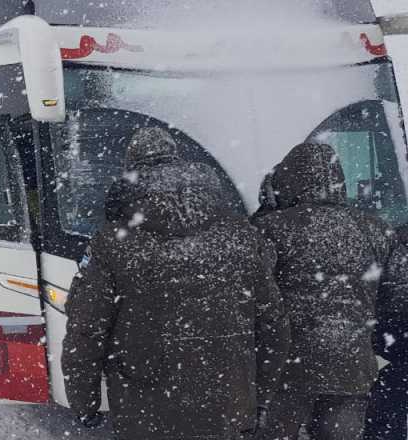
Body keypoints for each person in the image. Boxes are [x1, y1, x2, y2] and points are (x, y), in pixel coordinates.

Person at [64, 127, 290, 439]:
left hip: (144, 410)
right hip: (227, 408)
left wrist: (84, 403)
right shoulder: (243, 236)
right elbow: (273, 327)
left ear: (130, 173)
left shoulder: (112, 243)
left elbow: (86, 330)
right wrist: (258, 400)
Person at [253, 143, 398, 440]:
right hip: (351, 365)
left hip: (287, 368)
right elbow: (396, 296)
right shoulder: (376, 229)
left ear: (288, 180)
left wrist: (265, 209)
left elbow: (254, 291)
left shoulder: (271, 228)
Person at [364, 226, 408, 440]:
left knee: (388, 398)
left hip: (392, 330)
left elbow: (393, 295)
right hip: (396, 331)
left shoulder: (390, 242)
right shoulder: (393, 243)